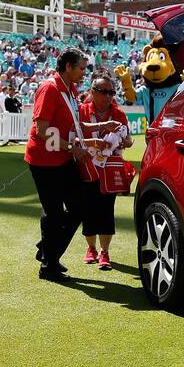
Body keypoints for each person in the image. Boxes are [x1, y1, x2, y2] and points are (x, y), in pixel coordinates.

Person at [24, 49, 91, 280]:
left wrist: (102, 127)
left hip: (62, 159)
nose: (84, 72)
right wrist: (73, 148)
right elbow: (41, 132)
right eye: (81, 68)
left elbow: (75, 123)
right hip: (44, 161)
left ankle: (47, 250)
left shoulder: (70, 89)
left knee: (78, 207)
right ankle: (49, 264)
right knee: (53, 212)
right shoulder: (50, 88)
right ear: (68, 67)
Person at [78, 72, 133, 269]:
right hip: (87, 167)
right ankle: (91, 248)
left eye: (112, 92)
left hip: (110, 169)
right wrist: (94, 142)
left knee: (106, 210)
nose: (109, 96)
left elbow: (128, 139)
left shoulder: (119, 114)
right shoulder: (82, 111)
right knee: (88, 210)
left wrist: (125, 141)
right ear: (93, 92)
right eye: (104, 92)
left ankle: (105, 252)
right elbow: (73, 136)